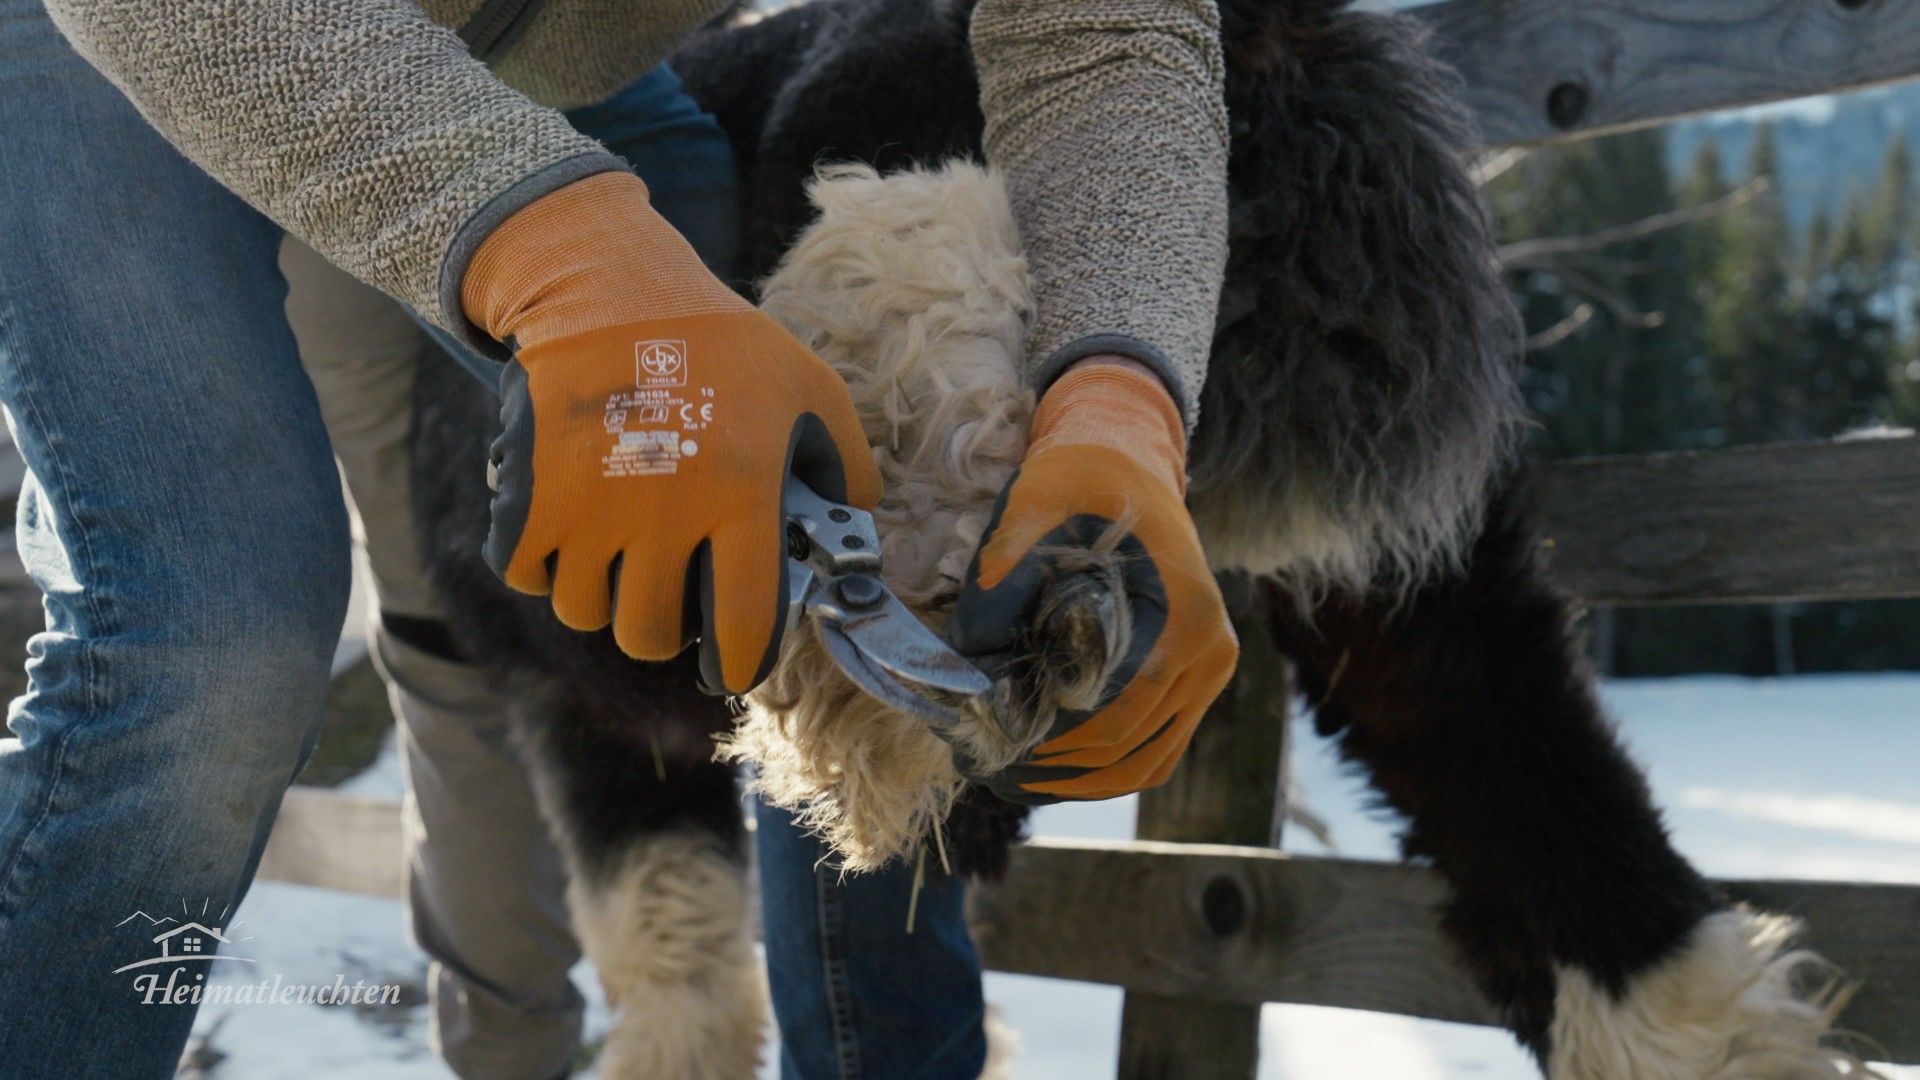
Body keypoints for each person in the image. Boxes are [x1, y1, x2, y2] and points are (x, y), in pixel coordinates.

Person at [0, 0, 1235, 1075]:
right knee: (219, 632)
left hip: (557, 65)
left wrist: (1118, 404)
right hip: (110, 36)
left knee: (732, 513)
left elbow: (1103, 31)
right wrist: (571, 266)